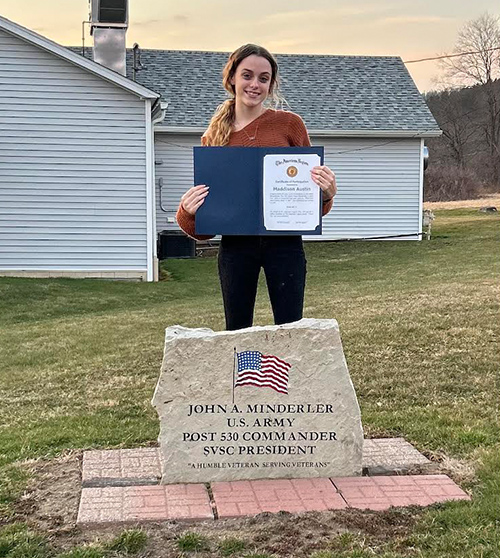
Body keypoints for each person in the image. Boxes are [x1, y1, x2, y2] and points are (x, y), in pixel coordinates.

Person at [176, 44, 337, 331]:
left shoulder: (289, 124)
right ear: (232, 79)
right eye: (247, 75)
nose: (254, 84)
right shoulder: (213, 138)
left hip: (285, 245)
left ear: (271, 85)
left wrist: (325, 193)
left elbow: (309, 204)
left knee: (290, 330)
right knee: (236, 331)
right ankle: (242, 377)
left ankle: (287, 378)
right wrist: (187, 212)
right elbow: (204, 230)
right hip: (236, 248)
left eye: (263, 78)